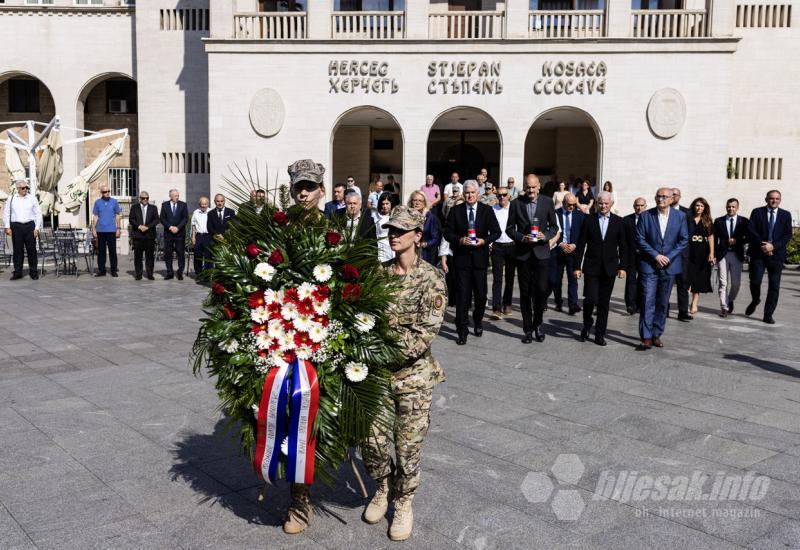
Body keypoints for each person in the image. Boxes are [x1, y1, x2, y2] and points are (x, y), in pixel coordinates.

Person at [362, 206, 446, 542]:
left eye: (401, 230)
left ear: (418, 237)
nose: (394, 235)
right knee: (372, 440)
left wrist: (381, 346)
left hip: (414, 378)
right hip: (378, 377)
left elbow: (425, 333)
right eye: (390, 230)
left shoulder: (432, 279)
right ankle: (382, 488)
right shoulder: (379, 275)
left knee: (408, 446)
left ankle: (404, 501)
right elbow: (364, 319)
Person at [282, 158, 327, 535]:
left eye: (309, 186)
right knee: (291, 414)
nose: (303, 192)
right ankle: (299, 501)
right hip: (282, 334)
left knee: (320, 413)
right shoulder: (278, 229)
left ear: (321, 190)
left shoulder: (335, 230)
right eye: (298, 186)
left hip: (324, 335)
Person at [443, 180, 501, 345]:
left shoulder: (486, 210)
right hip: (461, 260)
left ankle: (477, 321)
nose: (469, 195)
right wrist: (460, 240)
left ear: (478, 194)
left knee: (481, 296)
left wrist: (484, 241)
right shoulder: (455, 211)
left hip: (480, 260)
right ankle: (462, 330)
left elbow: (496, 232)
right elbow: (447, 232)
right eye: (467, 193)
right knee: (463, 296)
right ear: (463, 194)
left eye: (472, 193)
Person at [506, 174, 558, 343]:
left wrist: (546, 236)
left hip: (541, 253)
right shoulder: (516, 204)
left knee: (542, 290)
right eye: (528, 187)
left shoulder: (547, 202)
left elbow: (554, 227)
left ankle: (538, 323)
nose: (531, 190)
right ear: (525, 187)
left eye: (533, 187)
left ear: (539, 187)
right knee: (525, 293)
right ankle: (528, 329)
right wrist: (521, 237)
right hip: (523, 255)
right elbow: (509, 229)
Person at [636, 187, 689, 350]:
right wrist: (656, 255)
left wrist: (668, 257)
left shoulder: (680, 216)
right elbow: (640, 238)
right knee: (647, 300)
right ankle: (645, 337)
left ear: (672, 199)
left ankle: (656, 334)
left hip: (669, 266)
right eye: (658, 196)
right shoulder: (646, 216)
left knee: (662, 302)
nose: (661, 199)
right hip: (650, 265)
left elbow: (683, 239)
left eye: (664, 197)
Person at [573, 191, 628, 346]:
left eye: (606, 203)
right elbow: (581, 243)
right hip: (591, 267)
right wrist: (577, 266)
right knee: (590, 299)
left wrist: (623, 267)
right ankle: (587, 324)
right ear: (596, 204)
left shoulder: (619, 222)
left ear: (611, 204)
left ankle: (600, 333)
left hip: (610, 267)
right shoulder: (588, 220)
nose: (603, 206)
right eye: (600, 203)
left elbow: (623, 246)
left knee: (604, 302)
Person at [745, 190, 793, 324]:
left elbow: (787, 235)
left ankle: (768, 314)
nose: (774, 201)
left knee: (774, 285)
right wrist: (764, 245)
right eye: (772, 198)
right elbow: (751, 230)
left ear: (780, 200)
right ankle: (755, 300)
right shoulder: (757, 212)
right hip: (758, 253)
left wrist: (773, 246)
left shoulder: (785, 215)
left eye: (777, 199)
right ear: (766, 199)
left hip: (776, 255)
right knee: (755, 281)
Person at [713, 198, 749, 317]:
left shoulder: (743, 221)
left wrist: (738, 240)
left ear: (737, 207)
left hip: (736, 254)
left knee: (736, 283)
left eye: (733, 207)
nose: (731, 208)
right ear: (726, 207)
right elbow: (714, 239)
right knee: (723, 282)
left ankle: (730, 300)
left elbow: (748, 237)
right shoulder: (719, 221)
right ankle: (724, 307)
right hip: (722, 254)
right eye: (729, 206)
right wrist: (713, 255)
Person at [549, 193, 584, 315]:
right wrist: (560, 243)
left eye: (574, 205)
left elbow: (582, 235)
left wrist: (574, 244)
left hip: (572, 251)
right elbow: (552, 231)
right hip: (558, 251)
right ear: (563, 203)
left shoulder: (579, 215)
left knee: (573, 279)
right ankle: (558, 302)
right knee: (556, 280)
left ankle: (572, 305)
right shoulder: (555, 214)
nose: (572, 207)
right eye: (569, 205)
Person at [3, 179, 42, 280]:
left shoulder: (32, 198)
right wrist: (7, 227)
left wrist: (37, 227)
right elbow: (7, 213)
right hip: (16, 226)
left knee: (32, 250)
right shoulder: (11, 199)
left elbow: (38, 213)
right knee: (17, 251)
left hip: (29, 226)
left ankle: (33, 272)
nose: (26, 189)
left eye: (26, 188)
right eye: (23, 188)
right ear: (18, 189)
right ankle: (18, 272)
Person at [489, 186, 516, 319]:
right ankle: (496, 308)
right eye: (499, 195)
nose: (502, 197)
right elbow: (489, 228)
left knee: (510, 278)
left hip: (512, 246)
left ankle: (507, 303)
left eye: (504, 195)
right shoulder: (492, 210)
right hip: (497, 246)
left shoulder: (514, 208)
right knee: (497, 278)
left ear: (509, 196)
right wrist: (489, 243)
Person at [686, 197, 715, 315]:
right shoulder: (687, 218)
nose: (699, 208)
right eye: (697, 205)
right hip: (688, 251)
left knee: (698, 278)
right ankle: (685, 299)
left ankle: (694, 302)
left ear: (705, 208)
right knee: (687, 276)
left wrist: (711, 253)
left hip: (702, 253)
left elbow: (711, 237)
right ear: (694, 206)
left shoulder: (707, 220)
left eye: (702, 206)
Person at [623, 197, 648, 315]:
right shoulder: (627, 220)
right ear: (634, 206)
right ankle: (630, 304)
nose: (639, 208)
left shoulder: (650, 220)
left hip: (645, 255)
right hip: (630, 254)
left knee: (643, 280)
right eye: (637, 205)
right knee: (631, 280)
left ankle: (639, 304)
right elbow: (623, 240)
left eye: (642, 205)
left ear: (645, 206)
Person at [672, 187, 693, 321]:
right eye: (671, 194)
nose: (673, 196)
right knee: (665, 283)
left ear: (680, 196)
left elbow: (689, 232)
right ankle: (664, 309)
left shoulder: (687, 213)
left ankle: (683, 312)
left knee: (683, 283)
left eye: (676, 194)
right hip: (666, 254)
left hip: (682, 253)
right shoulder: (661, 211)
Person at [91, 184, 121, 277]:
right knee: (101, 252)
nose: (107, 193)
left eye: (108, 191)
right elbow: (95, 216)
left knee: (112, 251)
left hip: (111, 230)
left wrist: (118, 228)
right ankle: (102, 270)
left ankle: (113, 270)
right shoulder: (97, 202)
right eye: (105, 192)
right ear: (101, 193)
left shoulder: (114, 202)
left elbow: (117, 215)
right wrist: (94, 229)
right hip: (100, 230)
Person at [128, 190, 159, 280]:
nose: (145, 199)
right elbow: (131, 219)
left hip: (149, 236)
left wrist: (147, 227)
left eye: (147, 198)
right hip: (138, 236)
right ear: (139, 199)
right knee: (138, 256)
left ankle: (150, 274)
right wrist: (139, 226)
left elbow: (156, 220)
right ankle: (138, 274)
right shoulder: (134, 207)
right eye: (143, 198)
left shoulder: (153, 208)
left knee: (150, 256)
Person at [160, 188, 189, 280]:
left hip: (179, 234)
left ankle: (180, 272)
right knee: (168, 253)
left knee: (180, 253)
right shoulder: (164, 205)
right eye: (175, 195)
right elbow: (162, 218)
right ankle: (169, 272)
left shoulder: (183, 205)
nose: (177, 197)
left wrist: (178, 228)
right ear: (170, 196)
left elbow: (185, 218)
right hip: (168, 234)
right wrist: (170, 227)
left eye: (178, 195)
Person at [408, 191, 440, 265]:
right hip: (409, 252)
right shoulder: (407, 216)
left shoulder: (430, 217)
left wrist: (424, 244)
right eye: (415, 200)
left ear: (424, 203)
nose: (417, 203)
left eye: (420, 200)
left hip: (425, 254)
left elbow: (435, 239)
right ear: (411, 202)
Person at [191, 196, 212, 277]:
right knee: (197, 255)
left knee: (208, 256)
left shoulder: (211, 212)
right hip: (198, 236)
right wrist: (193, 237)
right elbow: (193, 225)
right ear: (199, 204)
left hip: (208, 236)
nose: (203, 206)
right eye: (202, 204)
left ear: (208, 204)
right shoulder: (196, 212)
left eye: (205, 204)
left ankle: (207, 274)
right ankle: (198, 273)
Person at [375, 192, 395, 263]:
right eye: (383, 204)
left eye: (387, 204)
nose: (385, 206)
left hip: (392, 247)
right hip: (380, 248)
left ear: (391, 203)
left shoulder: (395, 217)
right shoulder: (376, 216)